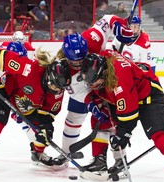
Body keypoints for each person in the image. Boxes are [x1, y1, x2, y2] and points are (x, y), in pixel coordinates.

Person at [78, 51, 164, 182]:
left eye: (94, 81)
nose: (92, 85)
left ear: (104, 72)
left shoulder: (120, 79)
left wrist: (122, 135)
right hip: (130, 92)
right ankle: (108, 162)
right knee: (102, 119)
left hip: (149, 97)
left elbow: (129, 116)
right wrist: (93, 101)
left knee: (161, 137)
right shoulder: (101, 60)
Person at [0, 49, 71, 182]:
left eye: (60, 88)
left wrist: (46, 127)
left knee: (43, 133)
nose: (57, 90)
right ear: (47, 75)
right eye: (54, 86)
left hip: (25, 104)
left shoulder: (57, 90)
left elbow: (46, 114)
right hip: (3, 91)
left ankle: (37, 154)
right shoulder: (28, 68)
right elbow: (0, 56)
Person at [52, 15, 134, 173]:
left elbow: (109, 19)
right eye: (74, 62)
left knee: (112, 121)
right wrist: (92, 103)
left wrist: (120, 26)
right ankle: (66, 154)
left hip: (105, 81)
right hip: (83, 89)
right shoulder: (63, 66)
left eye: (82, 59)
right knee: (73, 118)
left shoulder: (92, 38)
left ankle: (120, 160)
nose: (79, 64)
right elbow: (76, 92)